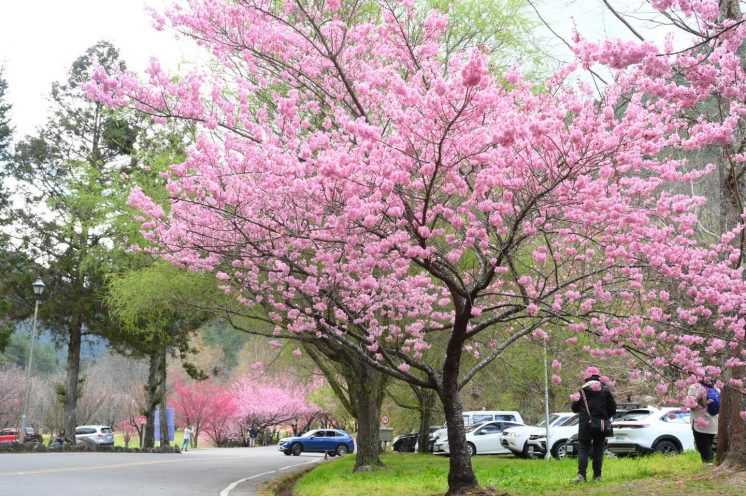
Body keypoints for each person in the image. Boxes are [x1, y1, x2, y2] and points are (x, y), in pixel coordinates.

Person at [571, 367, 617, 483]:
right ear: (599, 377)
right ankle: (597, 476)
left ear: (586, 377)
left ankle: (581, 476)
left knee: (583, 450)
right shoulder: (605, 390)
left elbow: (574, 409)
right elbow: (613, 408)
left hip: (585, 425)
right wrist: (605, 417)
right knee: (598, 449)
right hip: (600, 425)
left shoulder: (581, 391)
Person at [687, 378, 718, 463]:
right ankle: (710, 464)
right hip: (713, 424)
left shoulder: (694, 387)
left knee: (703, 448)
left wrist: (697, 397)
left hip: (700, 425)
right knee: (708, 446)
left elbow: (692, 406)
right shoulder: (715, 388)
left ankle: (709, 467)